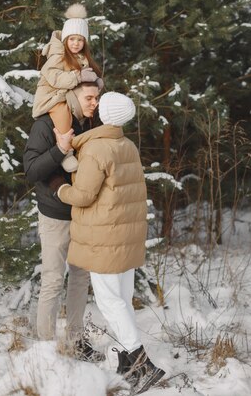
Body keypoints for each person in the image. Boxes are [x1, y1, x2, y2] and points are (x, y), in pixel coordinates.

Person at [55, 92, 165, 393]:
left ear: (104, 114)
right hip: (126, 236)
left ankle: (143, 363)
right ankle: (129, 364)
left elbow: (85, 195)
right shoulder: (126, 144)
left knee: (109, 300)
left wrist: (61, 191)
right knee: (122, 297)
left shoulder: (96, 149)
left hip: (105, 236)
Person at [23, 80, 104, 362]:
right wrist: (58, 149)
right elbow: (32, 170)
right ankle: (46, 348)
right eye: (90, 97)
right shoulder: (46, 125)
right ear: (73, 97)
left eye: (97, 97)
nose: (95, 102)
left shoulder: (94, 124)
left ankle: (76, 341)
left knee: (80, 278)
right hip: (55, 215)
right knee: (53, 280)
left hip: (84, 215)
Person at [31, 3, 103, 172]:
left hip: (66, 94)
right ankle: (66, 154)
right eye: (72, 39)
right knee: (63, 114)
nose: (76, 43)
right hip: (51, 96)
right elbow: (52, 76)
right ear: (65, 40)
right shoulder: (58, 55)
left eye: (80, 40)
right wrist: (77, 77)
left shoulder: (82, 57)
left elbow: (86, 78)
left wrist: (95, 82)